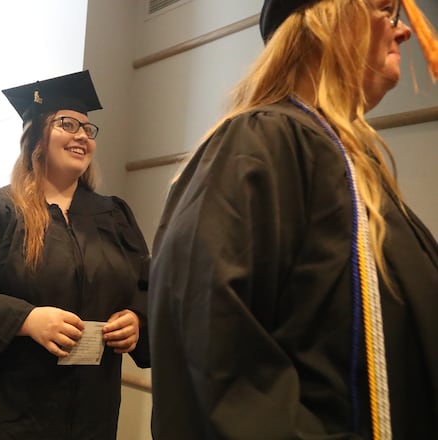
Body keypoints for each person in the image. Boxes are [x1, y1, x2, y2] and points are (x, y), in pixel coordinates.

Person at [148, 0, 438, 438]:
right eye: (385, 9)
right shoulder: (262, 143)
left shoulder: (359, 171)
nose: (405, 32)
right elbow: (217, 364)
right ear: (330, 20)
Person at [0, 70, 151, 440]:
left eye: (88, 128)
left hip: (91, 410)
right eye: (68, 124)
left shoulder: (114, 216)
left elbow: (146, 284)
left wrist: (137, 319)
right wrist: (28, 319)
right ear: (36, 136)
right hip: (10, 411)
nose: (83, 135)